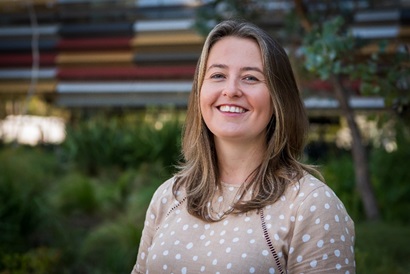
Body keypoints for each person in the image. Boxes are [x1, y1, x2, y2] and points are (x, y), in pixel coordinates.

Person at [131, 19, 355, 274]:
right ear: (200, 91)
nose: (231, 90)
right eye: (218, 75)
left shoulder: (310, 205)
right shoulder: (168, 196)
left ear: (278, 98)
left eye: (250, 78)